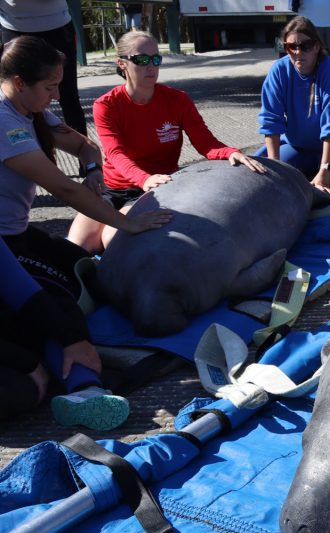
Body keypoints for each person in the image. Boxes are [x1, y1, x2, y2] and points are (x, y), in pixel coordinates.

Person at [1, 35, 171, 429]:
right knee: (59, 297)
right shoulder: (5, 121)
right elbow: (62, 189)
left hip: (19, 233)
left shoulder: (33, 110)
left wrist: (93, 171)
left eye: (58, 84)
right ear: (20, 82)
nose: (56, 94)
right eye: (49, 87)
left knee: (81, 266)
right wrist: (126, 222)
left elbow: (86, 148)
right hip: (6, 242)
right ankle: (84, 389)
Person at [68, 30, 265, 254]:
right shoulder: (106, 105)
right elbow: (115, 153)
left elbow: (206, 143)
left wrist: (230, 153)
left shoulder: (178, 100)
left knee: (113, 242)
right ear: (122, 64)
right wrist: (144, 178)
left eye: (156, 59)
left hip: (158, 189)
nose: (150, 66)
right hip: (114, 189)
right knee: (77, 247)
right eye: (141, 59)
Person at [257, 16, 330, 195]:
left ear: (316, 47)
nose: (298, 52)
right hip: (296, 147)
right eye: (291, 47)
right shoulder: (278, 71)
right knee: (267, 185)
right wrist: (275, 168)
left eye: (305, 46)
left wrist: (325, 171)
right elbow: (271, 121)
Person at [0, 0, 87, 137]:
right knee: (18, 98)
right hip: (14, 26)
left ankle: (84, 153)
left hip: (58, 26)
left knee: (68, 96)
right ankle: (32, 152)